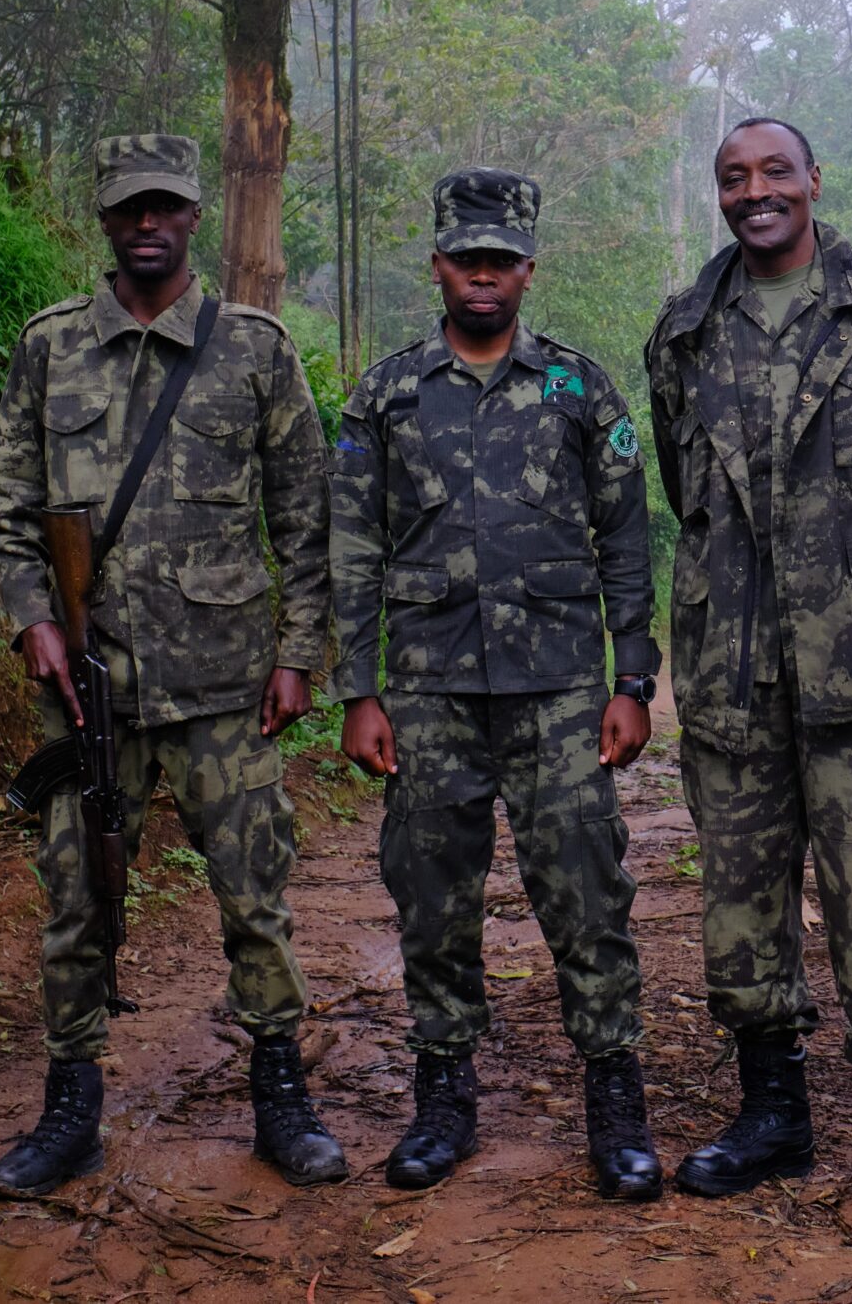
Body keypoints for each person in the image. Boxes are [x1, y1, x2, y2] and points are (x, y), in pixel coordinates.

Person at [0, 133, 344, 1198]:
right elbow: (5, 517)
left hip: (224, 687)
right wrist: (32, 621)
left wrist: (298, 656)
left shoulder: (254, 349)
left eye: (166, 207)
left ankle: (282, 1096)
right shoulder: (50, 347)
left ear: (194, 217)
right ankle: (70, 1111)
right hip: (90, 691)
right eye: (129, 207)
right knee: (76, 899)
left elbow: (304, 521)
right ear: (103, 218)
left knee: (252, 897)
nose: (147, 223)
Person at [642, 116, 852, 1221]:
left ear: (813, 180)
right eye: (734, 178)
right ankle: (772, 1117)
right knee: (740, 909)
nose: (755, 192)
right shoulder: (685, 331)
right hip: (734, 674)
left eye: (774, 172)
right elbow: (679, 487)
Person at [329, 168, 663, 1201]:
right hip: (428, 692)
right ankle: (443, 1095)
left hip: (561, 688)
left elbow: (625, 537)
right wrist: (359, 689)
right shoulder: (387, 393)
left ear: (527, 269)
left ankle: (615, 1099)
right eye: (465, 259)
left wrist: (634, 677)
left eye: (501, 260)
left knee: (585, 891)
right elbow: (350, 543)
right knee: (433, 898)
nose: (482, 276)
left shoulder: (577, 387)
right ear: (438, 266)